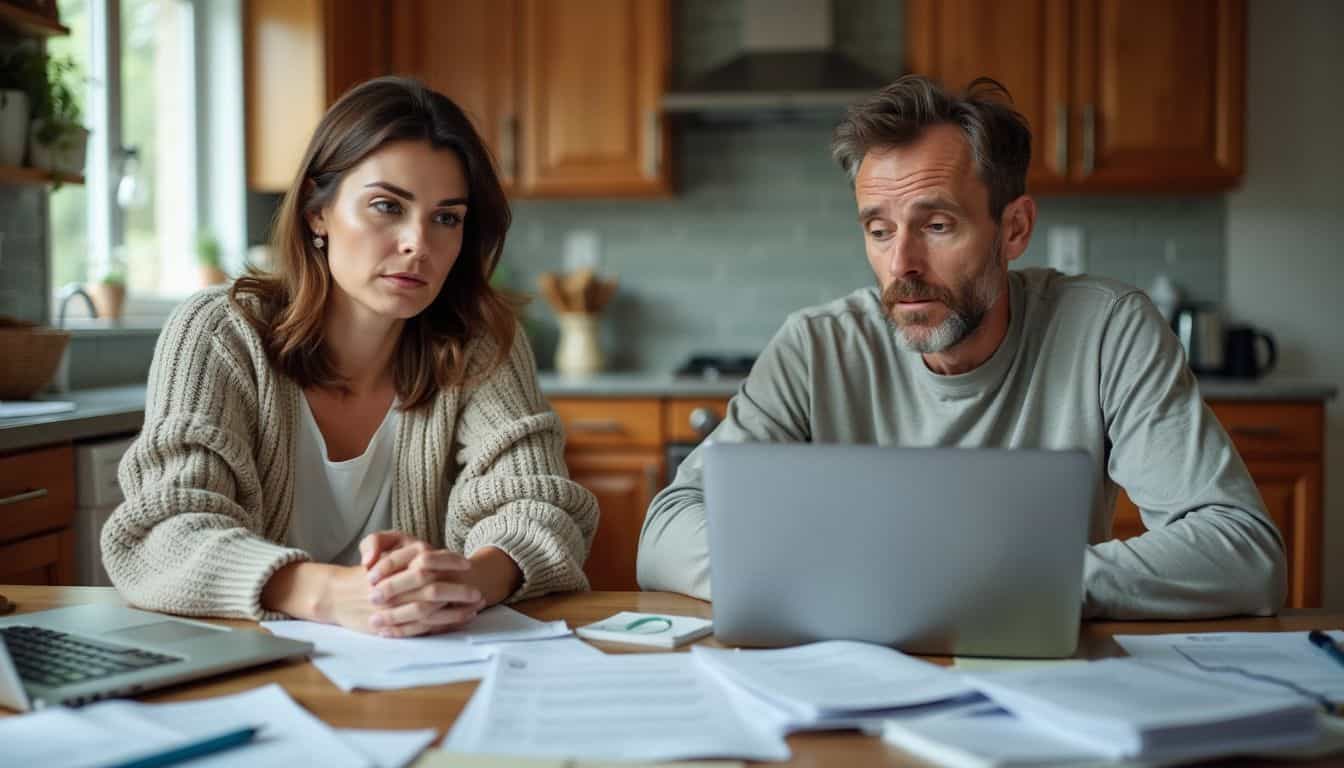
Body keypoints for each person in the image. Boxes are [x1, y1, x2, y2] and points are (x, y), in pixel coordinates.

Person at [637, 75, 1285, 620]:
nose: (902, 264)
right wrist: (836, 585)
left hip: (1036, 677)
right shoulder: (816, 347)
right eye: (879, 229)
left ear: (1015, 228)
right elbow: (666, 530)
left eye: (937, 225)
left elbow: (1244, 552)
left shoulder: (1107, 330)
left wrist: (1002, 590)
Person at [102, 77, 598, 637]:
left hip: (424, 670)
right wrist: (328, 594)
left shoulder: (477, 343)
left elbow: (543, 507)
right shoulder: (219, 332)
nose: (418, 242)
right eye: (387, 206)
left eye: (447, 217)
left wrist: (463, 578)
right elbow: (166, 528)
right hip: (248, 666)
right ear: (318, 211)